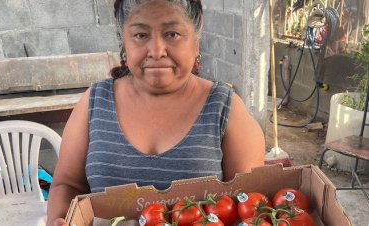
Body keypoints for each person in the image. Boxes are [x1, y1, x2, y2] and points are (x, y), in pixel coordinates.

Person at [46, 0, 265, 225]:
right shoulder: (95, 101)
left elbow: (251, 204)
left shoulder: (224, 108)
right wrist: (59, 219)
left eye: (172, 34)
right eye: (141, 35)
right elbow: (67, 184)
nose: (157, 51)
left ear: (195, 44)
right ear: (124, 43)